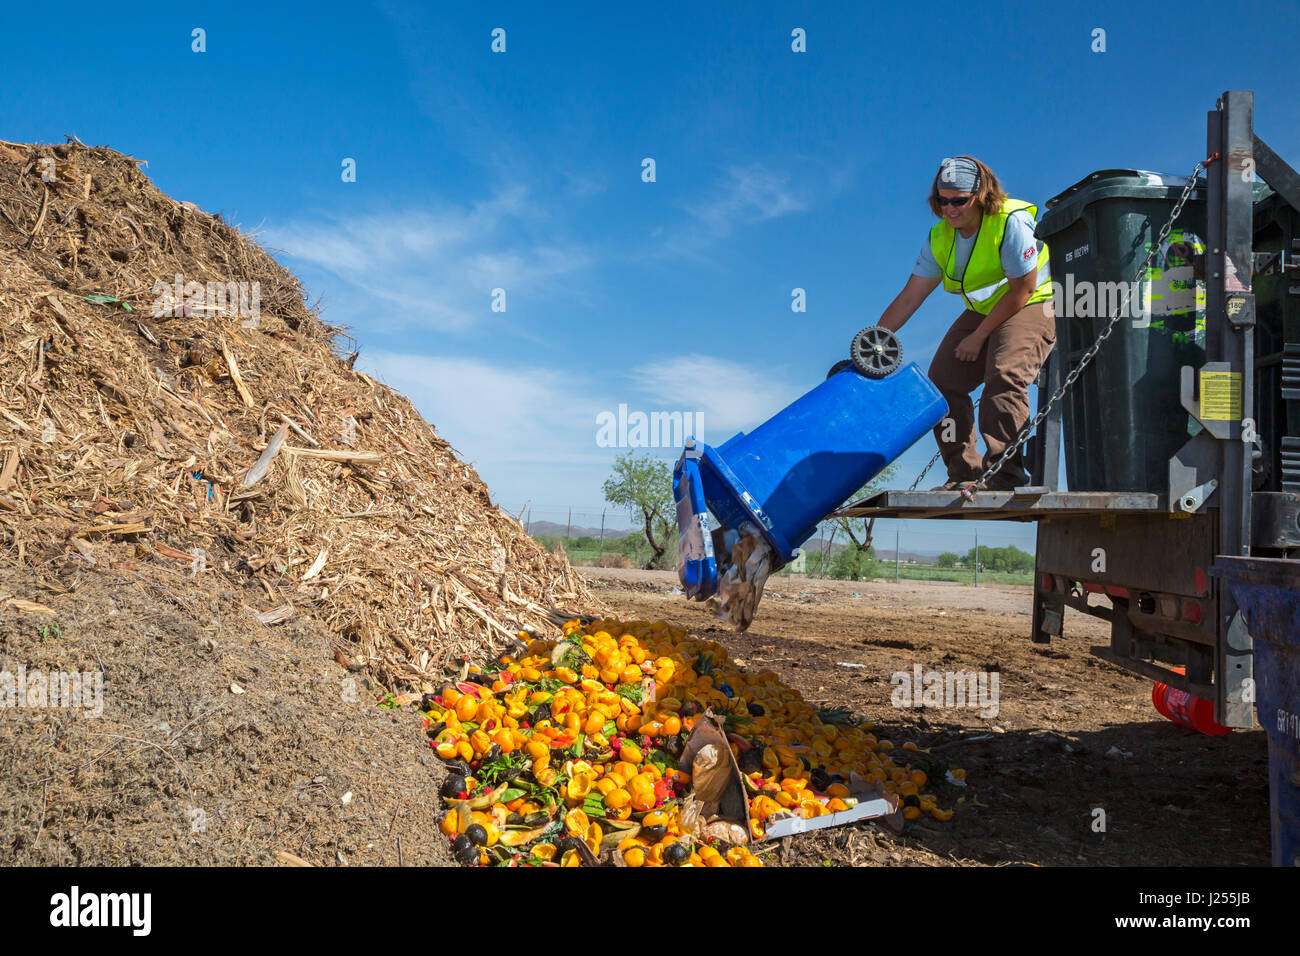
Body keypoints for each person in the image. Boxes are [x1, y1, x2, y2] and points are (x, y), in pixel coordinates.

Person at [876, 156, 1056, 490]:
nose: (950, 209)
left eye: (959, 201)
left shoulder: (1010, 221)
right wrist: (875, 341)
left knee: (1004, 374)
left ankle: (1005, 475)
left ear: (981, 194)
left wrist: (978, 336)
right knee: (942, 383)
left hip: (1032, 303)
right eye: (942, 200)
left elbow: (1023, 289)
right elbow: (909, 297)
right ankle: (965, 473)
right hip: (985, 310)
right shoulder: (939, 238)